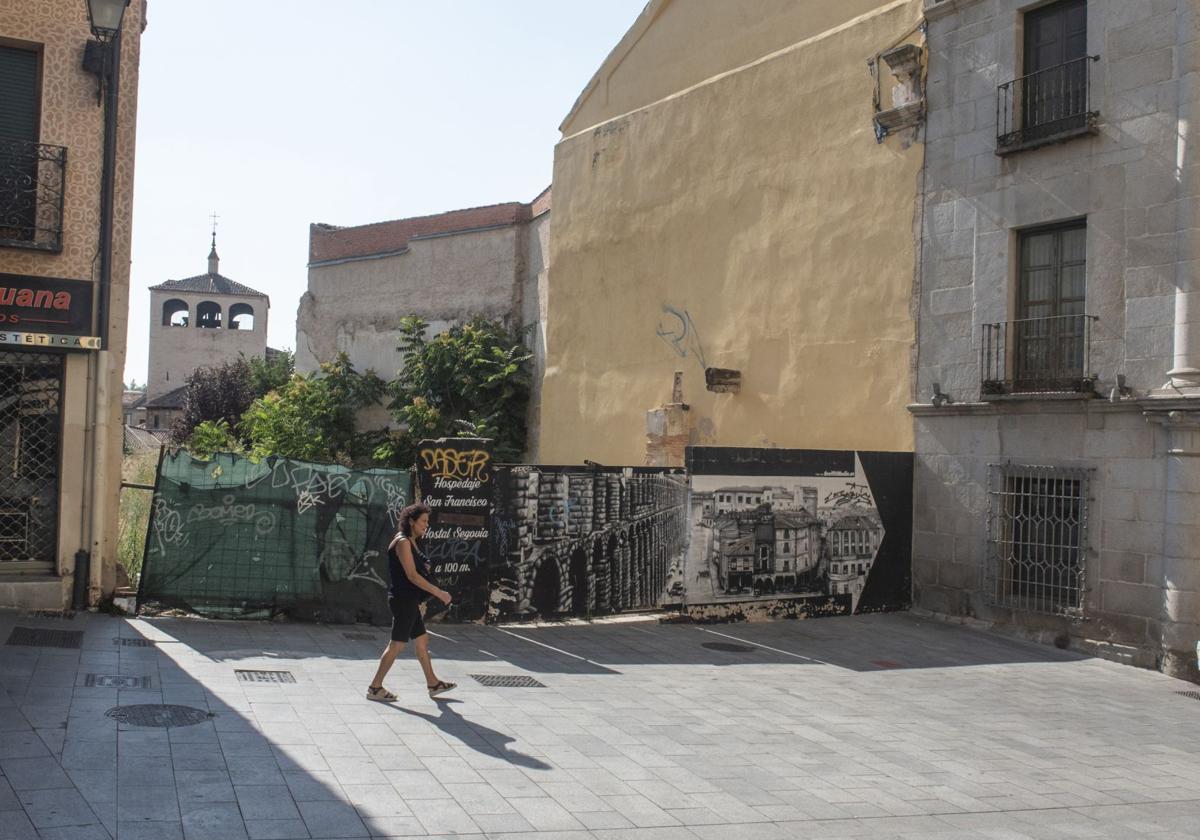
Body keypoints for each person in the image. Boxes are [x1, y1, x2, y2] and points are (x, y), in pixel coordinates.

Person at [367, 503, 457, 701]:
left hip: (409, 600)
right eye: (423, 521)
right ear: (411, 521)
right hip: (403, 601)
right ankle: (375, 688)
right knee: (397, 645)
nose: (426, 525)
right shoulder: (402, 542)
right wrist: (439, 593)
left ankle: (433, 684)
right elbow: (412, 576)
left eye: (427, 521)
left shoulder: (412, 541)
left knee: (422, 640)